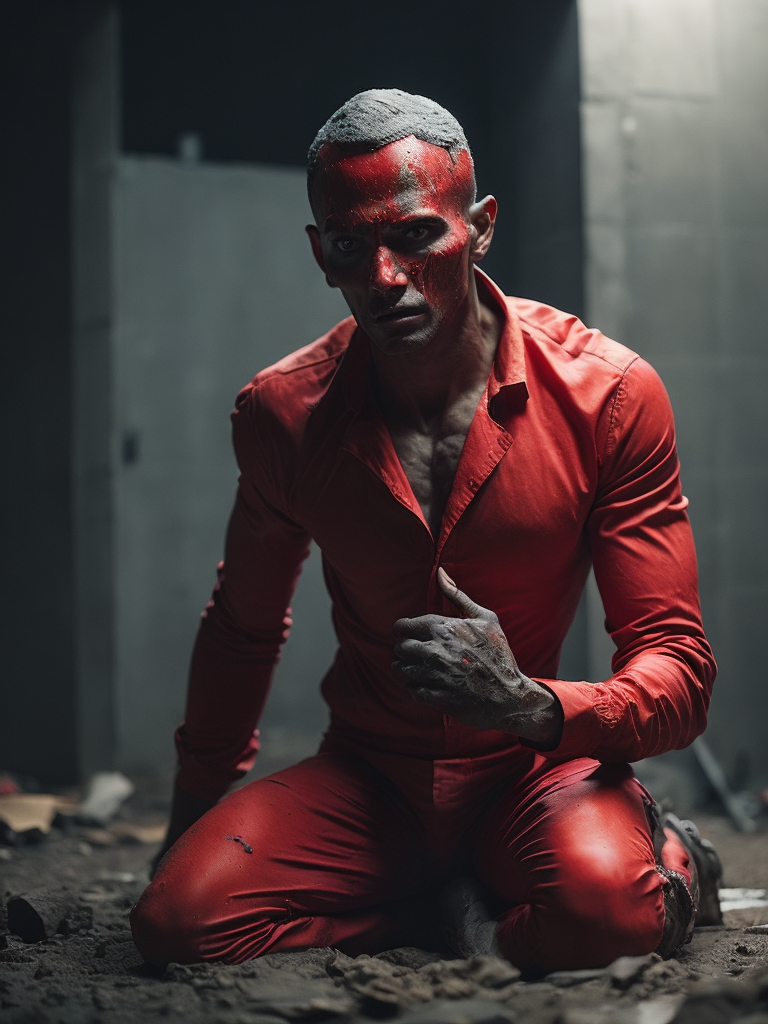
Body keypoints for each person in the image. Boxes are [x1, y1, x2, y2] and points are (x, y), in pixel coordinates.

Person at [130, 89, 720, 974]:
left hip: (535, 769)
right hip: (373, 778)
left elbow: (678, 666)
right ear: (319, 253)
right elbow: (242, 629)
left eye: (415, 235)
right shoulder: (283, 414)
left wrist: (528, 705)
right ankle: (444, 913)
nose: (383, 277)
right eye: (349, 245)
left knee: (609, 914)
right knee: (175, 925)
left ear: (480, 228)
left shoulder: (610, 395)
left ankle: (672, 855)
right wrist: (186, 827)